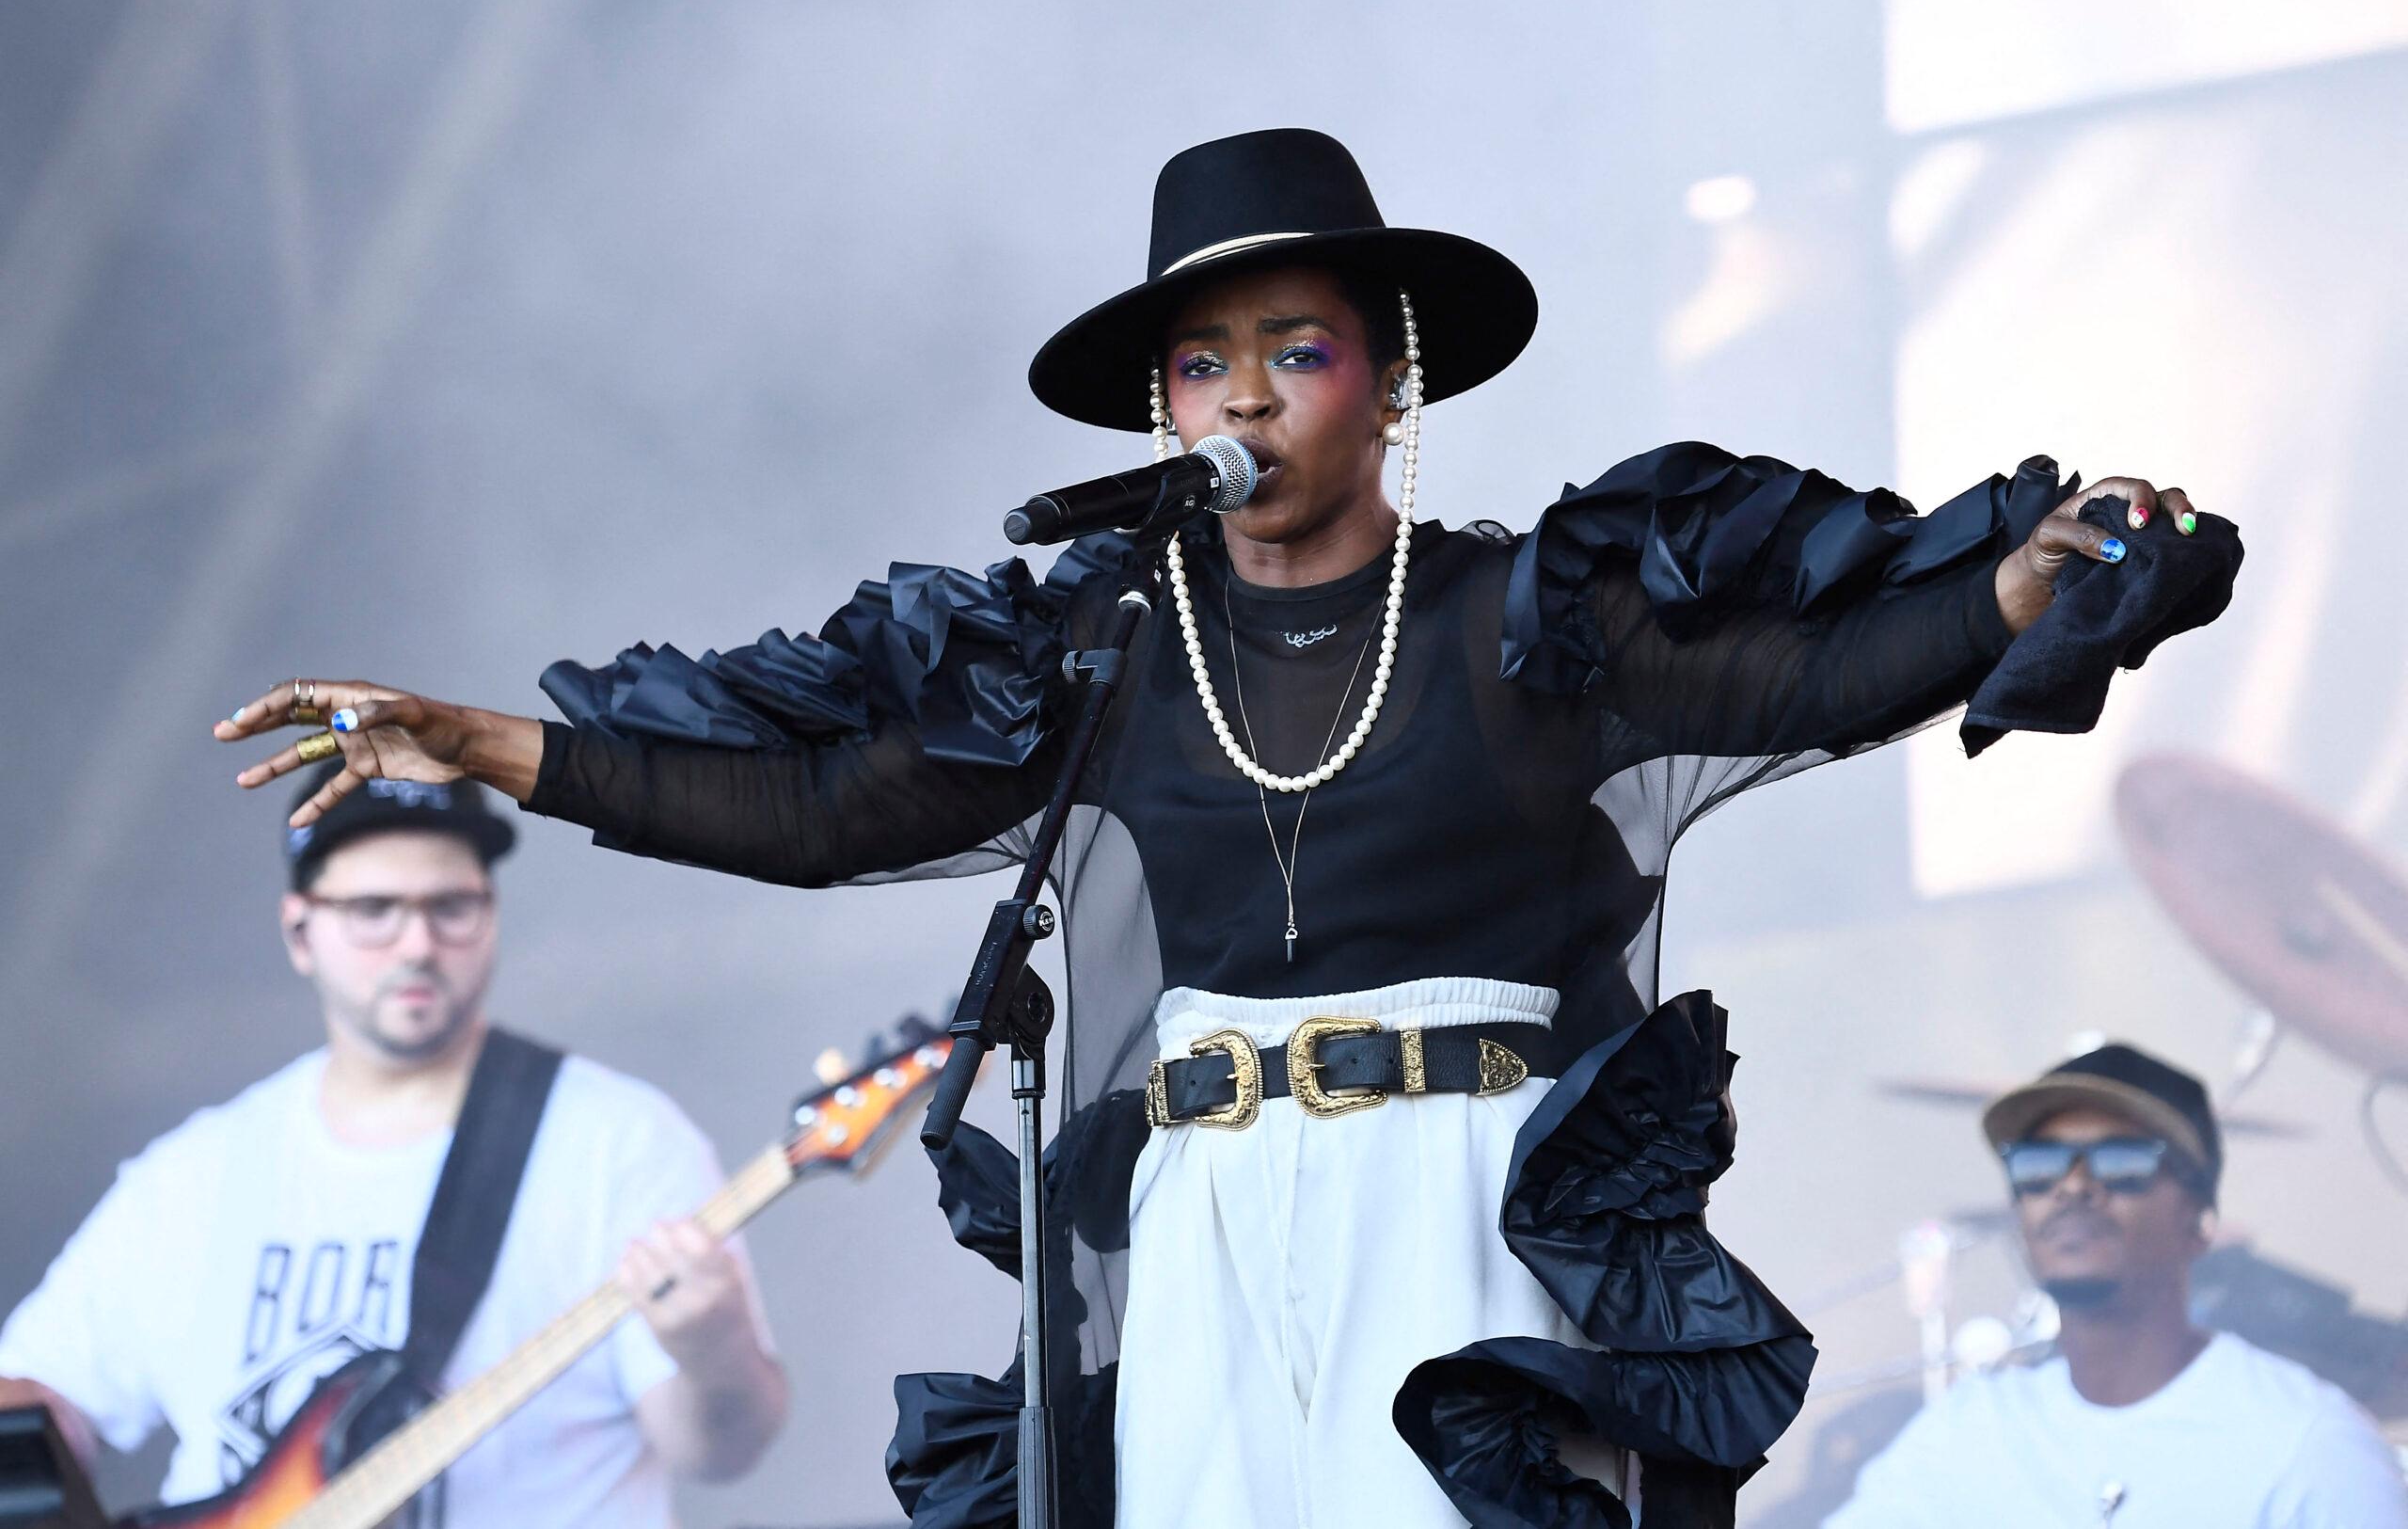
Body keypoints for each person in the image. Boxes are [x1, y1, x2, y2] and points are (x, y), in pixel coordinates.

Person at [211, 130, 2236, 1527]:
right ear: (1159, 410)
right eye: (1203, 363)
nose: (1244, 394)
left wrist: (2003, 597)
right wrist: (478, 742)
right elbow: (825, 803)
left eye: (1294, 347)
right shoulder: (1096, 649)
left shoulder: (1526, 616)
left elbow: (1807, 678)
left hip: (1461, 1213)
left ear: (1385, 377)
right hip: (1197, 1227)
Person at [0, 769, 788, 1527]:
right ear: (300, 930)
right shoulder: (195, 1173)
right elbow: (44, 1400)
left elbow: (719, 1451)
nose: (416, 942)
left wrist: (711, 1343)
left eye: (451, 906)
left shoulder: (618, 1142)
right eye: (375, 908)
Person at [1826, 1043, 2408, 1526]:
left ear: (2202, 1223)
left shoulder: (2312, 1447)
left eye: (2121, 1162)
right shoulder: (1970, 1429)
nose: (2072, 1188)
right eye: (2036, 1166)